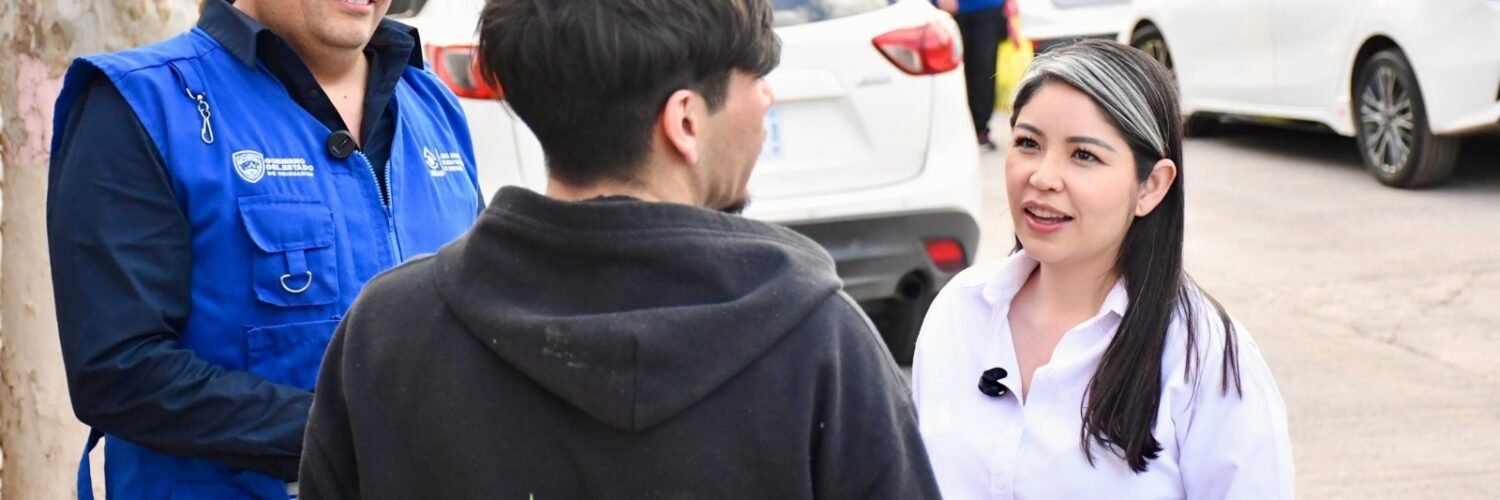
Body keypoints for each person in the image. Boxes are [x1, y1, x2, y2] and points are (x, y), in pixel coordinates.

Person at [296, 0, 940, 497]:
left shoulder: (387, 333)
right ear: (685, 122)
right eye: (756, 79)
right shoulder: (819, 342)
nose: (767, 98)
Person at [47, 0, 483, 496]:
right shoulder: (143, 104)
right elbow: (120, 370)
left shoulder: (435, 105)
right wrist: (354, 436)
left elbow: (478, 319)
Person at [911, 40, 1295, 499]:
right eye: (1028, 144)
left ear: (1151, 186)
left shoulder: (1204, 357)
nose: (1043, 177)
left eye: (1084, 155)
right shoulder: (959, 312)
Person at [937, 0, 1008, 150]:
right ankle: (953, 131)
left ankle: (979, 130)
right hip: (950, 12)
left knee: (984, 71)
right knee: (952, 73)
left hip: (987, 8)